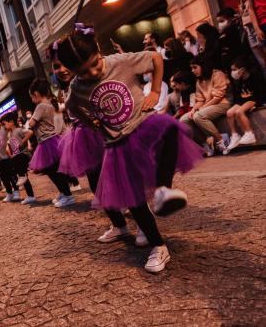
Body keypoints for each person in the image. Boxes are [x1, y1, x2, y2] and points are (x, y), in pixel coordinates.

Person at [56, 24, 203, 273]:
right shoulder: (77, 89)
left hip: (142, 124)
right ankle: (158, 245)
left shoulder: (120, 62)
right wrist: (92, 122)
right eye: (84, 70)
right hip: (116, 143)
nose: (92, 72)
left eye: (95, 63)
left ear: (99, 50)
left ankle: (163, 190)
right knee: (133, 199)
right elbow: (71, 107)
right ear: (72, 71)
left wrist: (156, 90)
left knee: (169, 130)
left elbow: (155, 58)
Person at [48, 42, 105, 196]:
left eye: (66, 64)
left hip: (101, 131)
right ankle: (113, 209)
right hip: (82, 136)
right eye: (57, 66)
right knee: (95, 179)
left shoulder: (92, 77)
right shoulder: (65, 87)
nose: (62, 70)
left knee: (114, 168)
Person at [28, 79, 74, 207]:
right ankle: (64, 192)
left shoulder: (40, 106)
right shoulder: (50, 104)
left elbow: (32, 123)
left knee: (52, 170)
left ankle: (67, 195)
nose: (32, 99)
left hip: (47, 142)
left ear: (36, 94)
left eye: (32, 96)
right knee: (55, 169)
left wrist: (30, 121)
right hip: (54, 140)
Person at [181, 55, 231, 155]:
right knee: (184, 120)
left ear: (203, 66)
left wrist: (202, 108)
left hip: (222, 104)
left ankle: (221, 141)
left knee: (199, 116)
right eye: (191, 68)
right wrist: (193, 109)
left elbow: (219, 97)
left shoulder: (217, 74)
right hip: (208, 106)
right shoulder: (199, 81)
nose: (192, 70)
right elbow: (200, 100)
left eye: (195, 67)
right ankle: (206, 144)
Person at [224, 56, 265, 154]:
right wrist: (236, 104)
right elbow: (238, 96)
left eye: (234, 69)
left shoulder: (255, 76)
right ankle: (235, 135)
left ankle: (249, 133)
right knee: (229, 113)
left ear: (242, 69)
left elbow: (262, 92)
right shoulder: (239, 80)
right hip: (243, 100)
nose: (232, 72)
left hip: (254, 99)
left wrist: (257, 104)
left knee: (239, 112)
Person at [236, 0, 266, 77]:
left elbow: (254, 8)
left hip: (256, 25)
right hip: (248, 26)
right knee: (261, 61)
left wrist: (257, 27)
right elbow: (244, 7)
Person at [1, 112, 36, 205]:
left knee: (20, 170)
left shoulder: (18, 130)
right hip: (17, 156)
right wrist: (9, 152)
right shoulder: (9, 134)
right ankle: (31, 196)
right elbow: (10, 144)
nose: (4, 126)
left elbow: (30, 132)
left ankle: (22, 175)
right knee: (23, 177)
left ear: (11, 122)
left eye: (4, 124)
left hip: (23, 154)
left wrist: (22, 142)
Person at [0, 113, 21, 202]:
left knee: (12, 176)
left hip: (7, 158)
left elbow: (11, 135)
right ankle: (9, 193)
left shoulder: (4, 129)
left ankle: (16, 191)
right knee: (4, 178)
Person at [216, 7, 245, 71]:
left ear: (231, 19)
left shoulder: (235, 30)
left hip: (239, 61)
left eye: (221, 21)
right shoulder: (223, 33)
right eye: (218, 22)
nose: (219, 24)